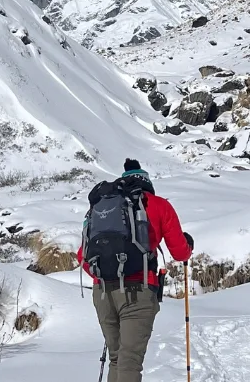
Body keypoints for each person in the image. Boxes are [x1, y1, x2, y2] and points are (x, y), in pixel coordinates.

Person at [76, 159, 193, 382]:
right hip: (139, 291)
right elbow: (179, 253)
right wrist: (189, 246)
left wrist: (108, 274)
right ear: (147, 184)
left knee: (116, 358)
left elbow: (82, 256)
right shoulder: (159, 205)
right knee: (130, 361)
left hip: (103, 293)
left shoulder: (101, 206)